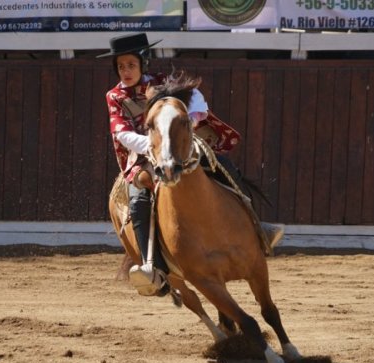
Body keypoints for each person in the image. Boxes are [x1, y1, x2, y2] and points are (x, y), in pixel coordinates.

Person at [98, 33, 283, 297]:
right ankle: (152, 266)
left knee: (223, 165)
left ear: (143, 63)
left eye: (131, 65)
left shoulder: (162, 83)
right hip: (141, 155)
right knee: (139, 194)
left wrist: (191, 121)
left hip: (176, 146)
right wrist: (153, 145)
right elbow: (121, 133)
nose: (125, 71)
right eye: (120, 67)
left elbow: (194, 96)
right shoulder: (114, 96)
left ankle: (257, 229)